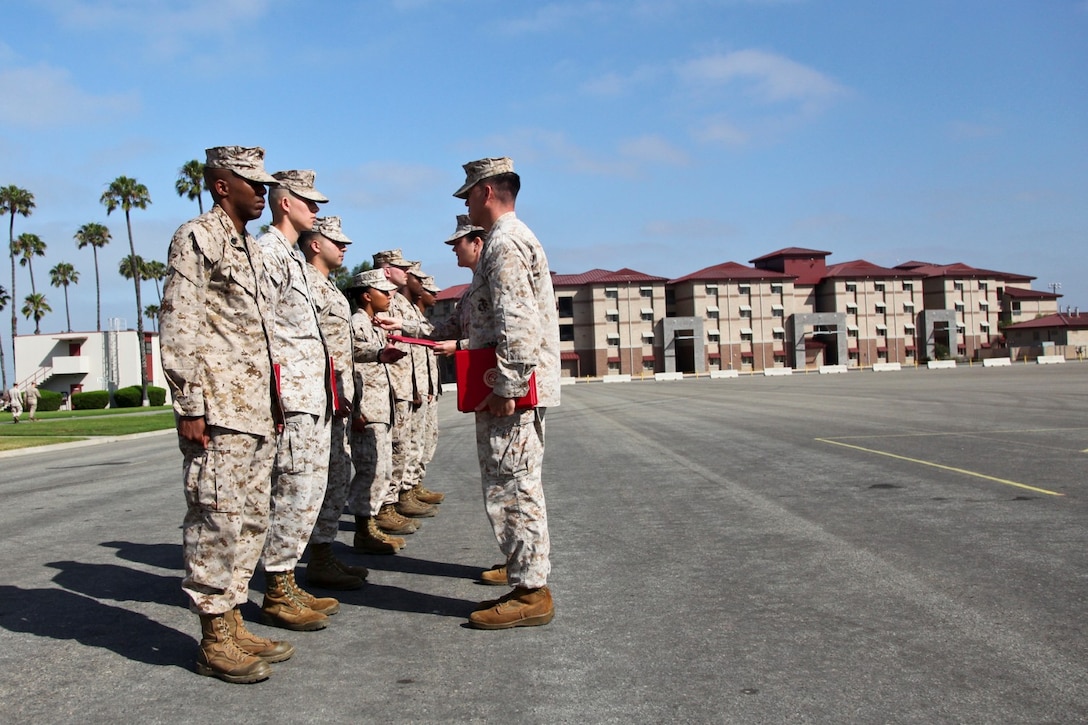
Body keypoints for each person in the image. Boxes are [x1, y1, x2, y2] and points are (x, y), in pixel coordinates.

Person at [159, 145, 289, 684]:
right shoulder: (197, 237)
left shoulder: (253, 249)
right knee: (214, 517)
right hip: (217, 409)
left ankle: (233, 619)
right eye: (252, 183)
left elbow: (260, 333)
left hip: (256, 409)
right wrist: (189, 403)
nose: (262, 192)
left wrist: (277, 403)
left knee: (250, 518)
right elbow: (180, 320)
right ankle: (213, 635)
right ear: (221, 186)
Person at [454, 157, 560, 629]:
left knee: (513, 486)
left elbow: (517, 324)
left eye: (470, 194)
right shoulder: (507, 240)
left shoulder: (505, 243)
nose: (467, 202)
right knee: (514, 483)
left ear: (488, 191)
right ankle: (523, 572)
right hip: (510, 387)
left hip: (510, 392)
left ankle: (531, 592)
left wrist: (507, 387)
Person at [257, 170, 339, 631]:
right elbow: (262, 327)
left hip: (312, 396)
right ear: (284, 203)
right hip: (291, 398)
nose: (317, 210)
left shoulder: (290, 258)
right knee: (290, 491)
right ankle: (276, 588)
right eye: (309, 201)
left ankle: (287, 579)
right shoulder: (269, 253)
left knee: (306, 492)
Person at [301, 216, 370, 589]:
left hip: (338, 398)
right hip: (318, 399)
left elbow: (343, 347)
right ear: (315, 244)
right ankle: (310, 560)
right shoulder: (306, 286)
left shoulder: (329, 288)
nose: (344, 248)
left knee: (337, 478)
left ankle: (324, 553)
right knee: (312, 483)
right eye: (336, 242)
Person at [345, 268, 410, 553]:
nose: (389, 296)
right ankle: (363, 529)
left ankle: (370, 525)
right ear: (367, 296)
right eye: (384, 292)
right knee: (369, 471)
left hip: (379, 408)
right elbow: (351, 364)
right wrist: (355, 410)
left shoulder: (372, 324)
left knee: (380, 470)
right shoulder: (356, 323)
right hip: (366, 410)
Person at [371, 249, 438, 521]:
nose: (407, 274)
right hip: (393, 389)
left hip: (410, 387)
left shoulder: (402, 304)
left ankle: (405, 491)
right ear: (387, 270)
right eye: (402, 269)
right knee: (394, 449)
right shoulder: (384, 301)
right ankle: (387, 503)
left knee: (410, 444)